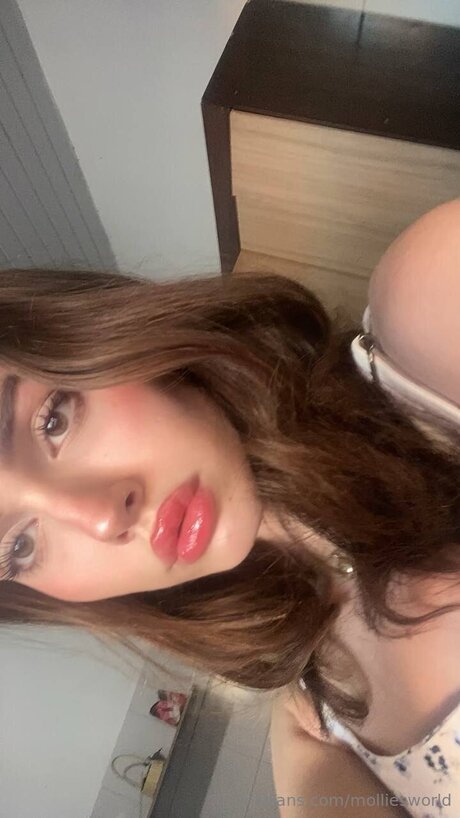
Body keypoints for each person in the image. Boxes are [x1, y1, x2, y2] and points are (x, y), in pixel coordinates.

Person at [0, 200, 459, 817]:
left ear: (97, 334)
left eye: (52, 420)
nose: (104, 518)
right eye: (19, 546)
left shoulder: (427, 311)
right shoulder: (321, 707)